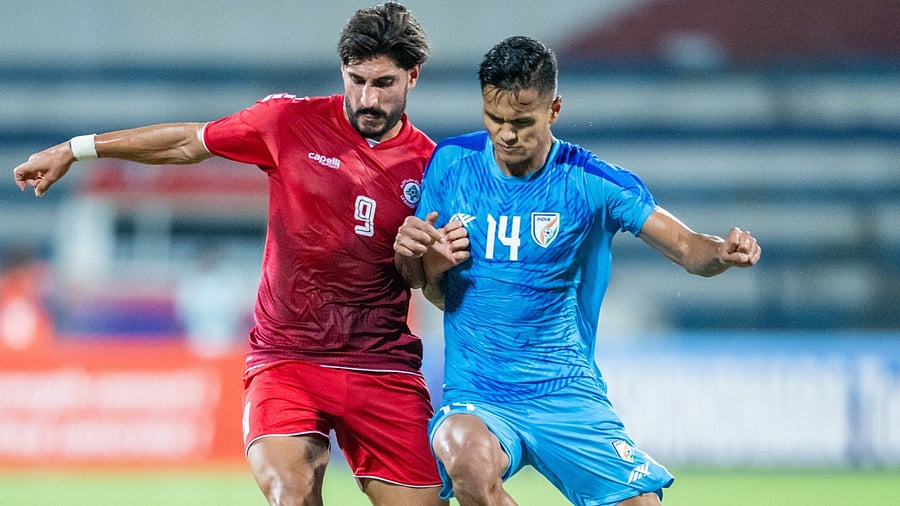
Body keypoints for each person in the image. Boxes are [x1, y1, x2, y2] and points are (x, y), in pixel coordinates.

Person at [13, 3, 457, 505]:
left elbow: (435, 291)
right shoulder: (289, 122)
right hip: (287, 361)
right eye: (357, 80)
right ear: (342, 70)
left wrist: (426, 264)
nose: (367, 98)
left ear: (413, 76)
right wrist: (77, 148)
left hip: (383, 368)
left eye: (383, 83)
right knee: (291, 495)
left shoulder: (434, 168)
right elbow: (187, 143)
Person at [393, 36, 761, 506]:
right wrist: (431, 263)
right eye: (494, 118)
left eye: (522, 122)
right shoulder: (451, 164)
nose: (506, 134)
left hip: (565, 395)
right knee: (465, 457)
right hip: (478, 395)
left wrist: (722, 252)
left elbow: (687, 247)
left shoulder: (591, 181)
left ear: (554, 109)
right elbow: (431, 288)